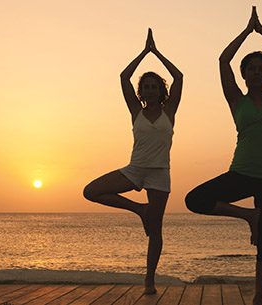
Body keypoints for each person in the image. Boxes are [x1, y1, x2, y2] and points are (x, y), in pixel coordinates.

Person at [185, 7, 262, 305]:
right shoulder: (236, 99)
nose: (257, 71)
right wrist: (247, 32)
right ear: (244, 74)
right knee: (194, 200)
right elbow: (223, 60)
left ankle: (258, 298)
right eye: (252, 68)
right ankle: (249, 215)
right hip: (242, 172)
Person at [83, 28, 183, 295]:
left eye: (155, 86)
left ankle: (149, 280)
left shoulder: (169, 111)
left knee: (156, 230)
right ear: (141, 91)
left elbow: (179, 77)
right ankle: (139, 209)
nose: (151, 90)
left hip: (160, 173)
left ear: (161, 90)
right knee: (91, 191)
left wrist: (157, 53)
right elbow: (124, 77)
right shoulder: (135, 110)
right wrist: (144, 52)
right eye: (146, 86)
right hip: (135, 169)